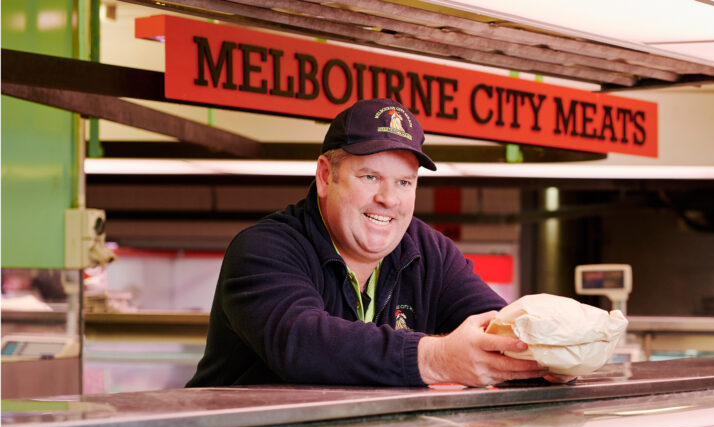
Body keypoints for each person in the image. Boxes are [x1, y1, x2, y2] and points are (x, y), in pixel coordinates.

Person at [188, 98, 547, 388]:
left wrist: (551, 355)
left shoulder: (430, 252)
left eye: (404, 183)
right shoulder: (264, 249)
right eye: (370, 176)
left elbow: (501, 329)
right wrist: (436, 359)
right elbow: (301, 344)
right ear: (327, 177)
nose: (389, 199)